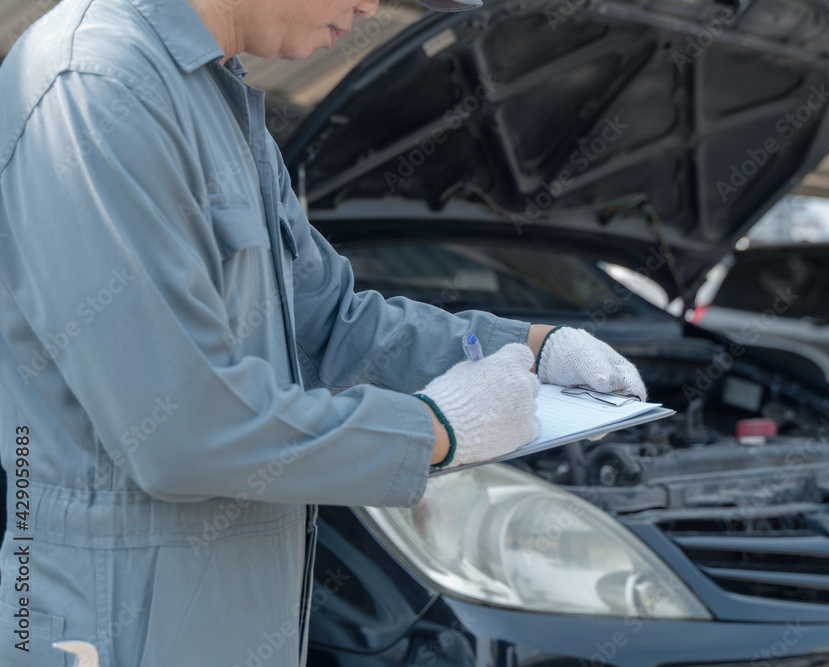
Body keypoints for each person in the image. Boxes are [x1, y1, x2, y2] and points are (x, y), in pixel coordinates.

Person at [0, 0, 647, 664]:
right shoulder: (96, 84)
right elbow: (181, 432)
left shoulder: (217, 102)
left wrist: (531, 347)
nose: (371, 6)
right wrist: (436, 430)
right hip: (111, 635)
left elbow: (332, 326)